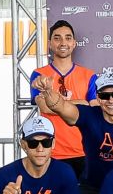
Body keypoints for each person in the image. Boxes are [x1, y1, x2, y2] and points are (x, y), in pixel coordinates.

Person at [30, 20, 97, 177]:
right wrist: (81, 103)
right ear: (50, 44)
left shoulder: (89, 75)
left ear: (74, 43)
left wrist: (56, 102)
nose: (63, 42)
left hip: (84, 151)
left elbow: (93, 108)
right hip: (51, 153)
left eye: (68, 38)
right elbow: (45, 107)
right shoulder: (39, 74)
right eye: (57, 38)